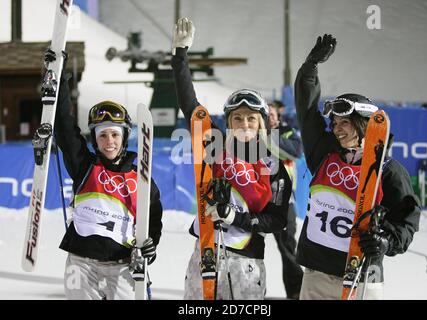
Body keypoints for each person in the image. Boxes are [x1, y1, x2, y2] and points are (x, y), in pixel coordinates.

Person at [171, 18, 292, 300]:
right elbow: (190, 104)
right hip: (206, 253)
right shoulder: (214, 144)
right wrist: (180, 56)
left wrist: (237, 217)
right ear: (228, 121)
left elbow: (277, 220)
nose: (244, 123)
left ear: (262, 123)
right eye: (237, 117)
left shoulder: (274, 166)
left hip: (246, 261)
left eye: (251, 118)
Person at [294, 34, 420, 300]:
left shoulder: (389, 170)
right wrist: (309, 68)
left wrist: (386, 241)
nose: (337, 130)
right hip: (316, 273)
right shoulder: (325, 154)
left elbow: (406, 221)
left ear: (364, 124)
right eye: (335, 124)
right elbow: (306, 112)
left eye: (345, 123)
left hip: (362, 275)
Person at [46, 50, 163, 300]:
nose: (109, 141)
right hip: (81, 262)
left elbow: (152, 219)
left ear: (123, 137)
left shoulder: (140, 176)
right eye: (102, 135)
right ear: (95, 140)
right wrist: (61, 78)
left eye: (114, 134)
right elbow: (66, 130)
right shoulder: (84, 165)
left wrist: (151, 246)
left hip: (122, 264)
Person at [268, 102, 304, 299]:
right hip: (256, 200)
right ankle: (251, 289)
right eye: (265, 114)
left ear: (278, 116)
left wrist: (266, 138)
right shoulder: (250, 134)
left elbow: (296, 152)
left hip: (283, 199)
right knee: (250, 246)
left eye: (272, 114)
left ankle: (296, 292)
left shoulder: (287, 131)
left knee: (288, 246)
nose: (269, 117)